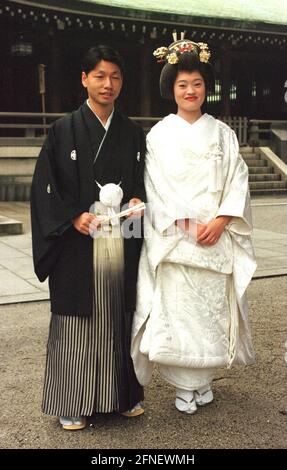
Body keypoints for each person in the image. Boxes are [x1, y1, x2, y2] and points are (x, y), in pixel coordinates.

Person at [131, 34, 257, 414]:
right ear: (171, 89)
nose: (190, 91)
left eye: (197, 84)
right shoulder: (158, 135)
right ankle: (184, 386)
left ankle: (203, 381)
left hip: (215, 237)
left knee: (210, 314)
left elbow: (238, 179)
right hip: (177, 239)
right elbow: (155, 185)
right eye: (182, 84)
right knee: (180, 312)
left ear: (206, 88)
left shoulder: (223, 133)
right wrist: (184, 222)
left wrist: (221, 220)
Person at [31, 45, 146, 430]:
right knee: (77, 320)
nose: (107, 84)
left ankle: (119, 395)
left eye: (115, 76)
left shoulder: (130, 132)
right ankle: (72, 399)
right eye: (99, 76)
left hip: (118, 238)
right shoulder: (63, 129)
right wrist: (72, 218)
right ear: (84, 79)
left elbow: (140, 186)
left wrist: (135, 205)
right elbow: (45, 189)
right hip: (76, 244)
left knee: (117, 313)